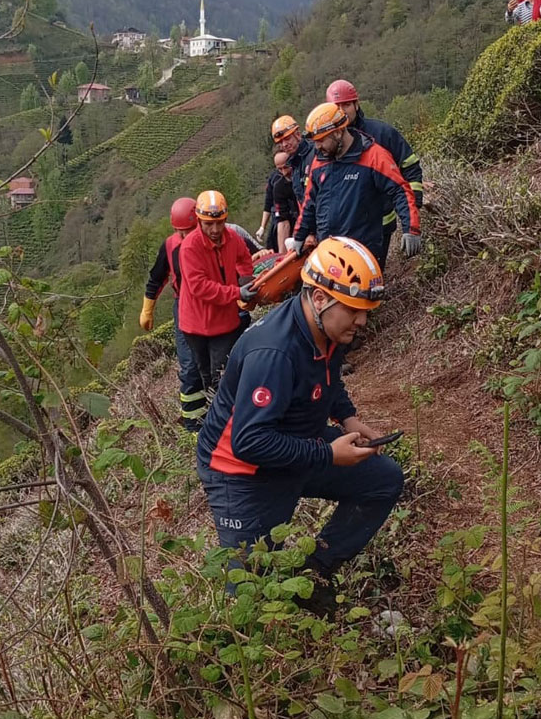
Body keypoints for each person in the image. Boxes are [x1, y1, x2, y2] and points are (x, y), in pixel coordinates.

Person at [196, 235, 404, 618]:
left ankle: (314, 575)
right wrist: (327, 454)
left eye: (366, 311)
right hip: (242, 472)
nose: (362, 320)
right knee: (249, 593)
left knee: (383, 480)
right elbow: (248, 441)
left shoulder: (328, 329)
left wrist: (348, 418)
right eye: (354, 310)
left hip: (296, 441)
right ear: (321, 298)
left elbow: (328, 377)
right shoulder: (273, 353)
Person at [289, 103, 421, 268]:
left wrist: (411, 229)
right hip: (328, 250)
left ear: (338, 132)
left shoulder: (373, 156)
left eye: (321, 140)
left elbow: (400, 190)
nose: (317, 146)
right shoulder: (320, 161)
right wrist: (299, 236)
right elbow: (310, 202)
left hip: (363, 251)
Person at [326, 78, 423, 265]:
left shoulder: (381, 133)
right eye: (336, 107)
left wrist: (412, 212)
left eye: (346, 104)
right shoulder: (325, 144)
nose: (342, 111)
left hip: (378, 227)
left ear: (356, 104)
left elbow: (410, 167)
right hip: (339, 232)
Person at [178, 190, 255, 396]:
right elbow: (199, 287)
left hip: (225, 322)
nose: (215, 229)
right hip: (195, 324)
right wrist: (237, 292)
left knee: (221, 373)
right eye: (208, 224)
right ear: (199, 221)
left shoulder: (233, 239)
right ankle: (217, 412)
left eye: (219, 223)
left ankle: (227, 413)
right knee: (206, 373)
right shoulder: (189, 247)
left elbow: (244, 258)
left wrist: (247, 283)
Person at [139, 197, 207, 429]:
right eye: (181, 232)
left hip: (212, 302)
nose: (186, 236)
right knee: (189, 365)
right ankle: (193, 423)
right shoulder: (170, 246)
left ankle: (218, 412)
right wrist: (148, 308)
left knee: (216, 361)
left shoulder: (214, 238)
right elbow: (157, 278)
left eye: (189, 230)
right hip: (185, 306)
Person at [271, 114, 314, 205]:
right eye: (280, 142)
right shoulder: (294, 164)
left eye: (287, 139)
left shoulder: (314, 154)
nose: (284, 145)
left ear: (298, 135)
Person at [256, 153, 284, 248]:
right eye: (279, 168)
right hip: (275, 221)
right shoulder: (274, 178)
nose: (283, 172)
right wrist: (262, 227)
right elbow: (268, 204)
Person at [271, 152, 298, 252]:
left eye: (286, 167)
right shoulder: (279, 187)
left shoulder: (304, 175)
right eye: (280, 169)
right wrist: (282, 255)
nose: (284, 172)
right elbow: (282, 221)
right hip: (294, 221)